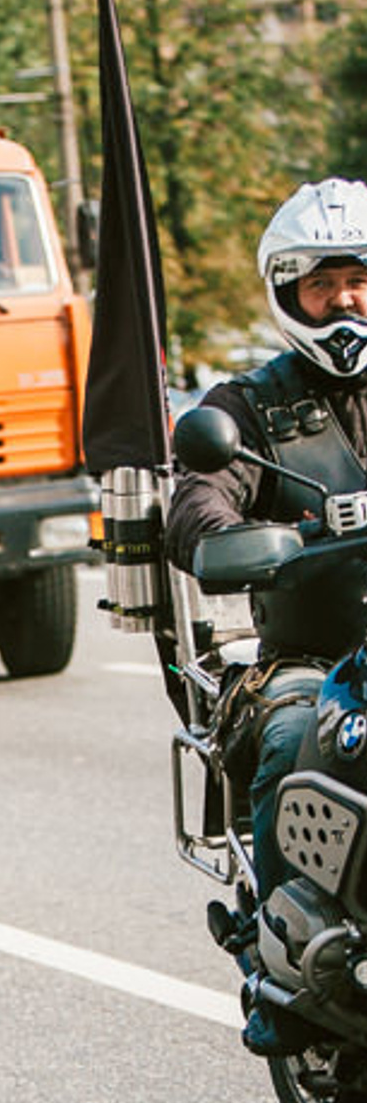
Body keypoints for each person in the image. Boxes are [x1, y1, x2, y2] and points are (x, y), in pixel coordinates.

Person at [164, 176, 367, 1055]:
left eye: (358, 277)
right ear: (290, 296)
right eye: (321, 285)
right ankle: (286, 969)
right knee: (290, 739)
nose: (344, 299)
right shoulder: (248, 409)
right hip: (313, 653)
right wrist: (249, 535)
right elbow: (196, 503)